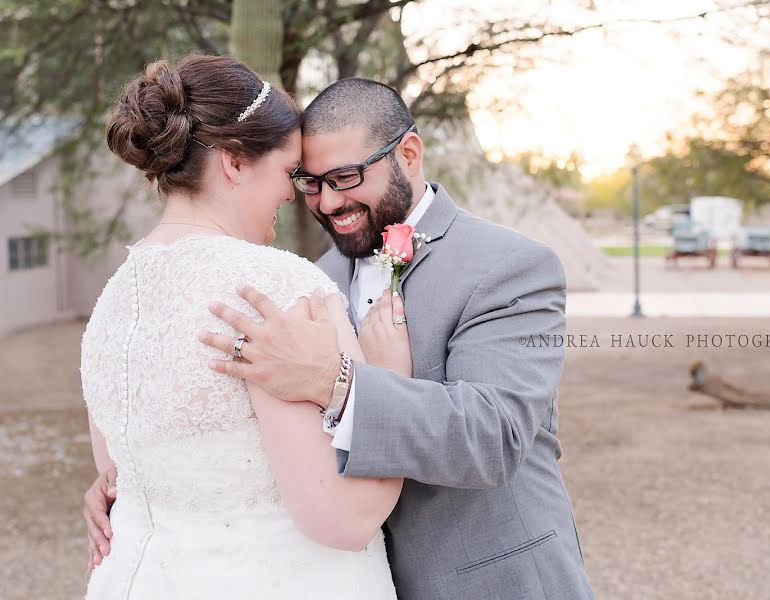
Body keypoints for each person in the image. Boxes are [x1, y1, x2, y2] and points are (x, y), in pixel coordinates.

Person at [85, 76, 595, 599]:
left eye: (346, 177)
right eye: (309, 181)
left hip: (486, 580)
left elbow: (496, 438)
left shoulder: (509, 266)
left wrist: (341, 382)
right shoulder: (308, 277)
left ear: (410, 154)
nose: (328, 202)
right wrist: (141, 481)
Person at [79, 55, 405, 599]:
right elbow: (344, 520)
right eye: (287, 173)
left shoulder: (114, 299)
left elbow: (117, 476)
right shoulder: (275, 288)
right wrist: (391, 381)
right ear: (234, 162)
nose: (292, 194)